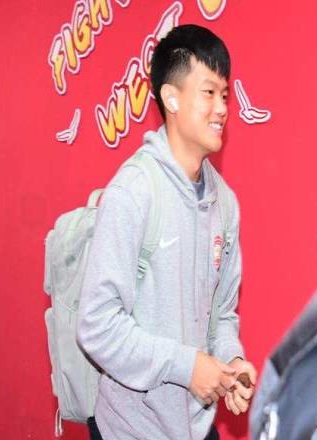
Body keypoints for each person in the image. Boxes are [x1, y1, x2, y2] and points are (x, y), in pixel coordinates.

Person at [77, 24, 256, 440]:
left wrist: (231, 362)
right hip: (131, 430)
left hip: (198, 425)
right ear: (171, 98)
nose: (222, 108)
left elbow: (222, 315)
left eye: (225, 95)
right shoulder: (133, 192)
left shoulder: (225, 203)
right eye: (208, 92)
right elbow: (97, 325)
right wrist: (186, 366)